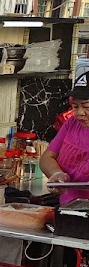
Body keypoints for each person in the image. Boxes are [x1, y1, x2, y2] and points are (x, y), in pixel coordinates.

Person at [40, 73, 89, 203]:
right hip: (68, 207)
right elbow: (47, 158)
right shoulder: (72, 123)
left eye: (86, 107)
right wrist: (56, 174)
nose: (80, 113)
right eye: (75, 106)